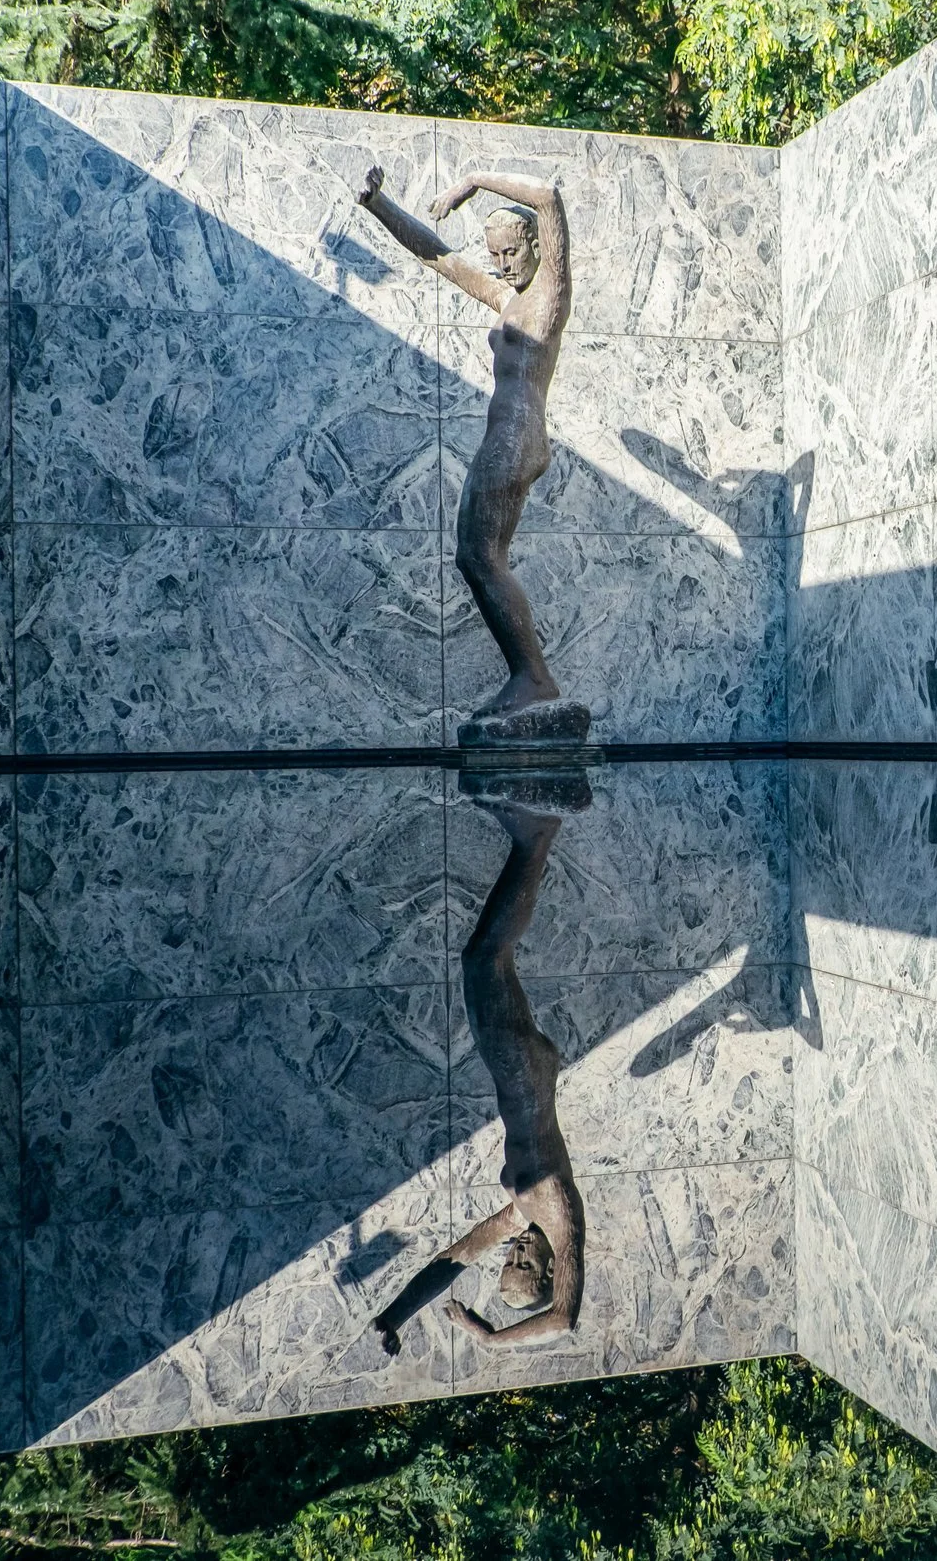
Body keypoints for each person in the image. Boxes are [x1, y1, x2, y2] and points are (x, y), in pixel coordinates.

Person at [357, 165, 572, 719]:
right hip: (504, 438)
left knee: (480, 556)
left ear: (532, 246)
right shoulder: (507, 301)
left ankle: (534, 677)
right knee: (475, 557)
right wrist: (381, 207)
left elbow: (547, 197)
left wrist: (473, 179)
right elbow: (440, 257)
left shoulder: (550, 292)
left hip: (518, 440)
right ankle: (530, 676)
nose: (502, 265)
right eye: (495, 255)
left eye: (510, 253)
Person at [372, 802, 584, 1351]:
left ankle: (532, 838)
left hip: (521, 1073)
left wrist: (395, 1315)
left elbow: (453, 1259)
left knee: (485, 958)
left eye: (507, 1261)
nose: (514, 1252)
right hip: (523, 1074)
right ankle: (534, 838)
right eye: (525, 1263)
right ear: (547, 1271)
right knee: (484, 959)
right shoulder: (560, 1218)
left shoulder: (520, 1214)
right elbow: (564, 1319)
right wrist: (488, 1338)